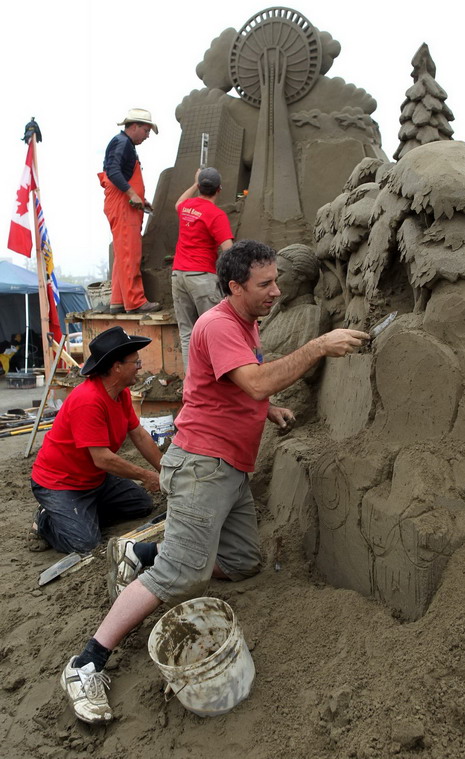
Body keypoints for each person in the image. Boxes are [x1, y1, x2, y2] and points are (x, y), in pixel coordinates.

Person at [59, 240, 369, 724]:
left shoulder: (246, 321)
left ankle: (143, 552)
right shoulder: (220, 324)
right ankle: (87, 662)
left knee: (243, 561)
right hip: (203, 465)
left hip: (230, 468)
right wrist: (317, 346)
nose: (276, 291)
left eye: (276, 281)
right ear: (235, 286)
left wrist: (267, 410)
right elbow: (257, 380)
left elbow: (235, 387)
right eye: (265, 284)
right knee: (181, 573)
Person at [29, 326, 162, 555]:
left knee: (141, 505)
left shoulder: (122, 393)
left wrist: (165, 470)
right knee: (85, 545)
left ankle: (79, 515)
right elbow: (102, 459)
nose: (140, 368)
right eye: (136, 363)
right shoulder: (88, 400)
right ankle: (45, 522)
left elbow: (139, 434)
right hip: (60, 483)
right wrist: (146, 475)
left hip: (93, 479)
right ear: (117, 367)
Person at [98, 108, 161, 315]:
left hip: (125, 203)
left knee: (122, 254)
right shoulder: (122, 142)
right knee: (130, 253)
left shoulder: (124, 144)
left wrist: (140, 199)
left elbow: (119, 174)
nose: (147, 135)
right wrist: (133, 195)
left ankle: (118, 300)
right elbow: (113, 171)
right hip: (122, 205)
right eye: (146, 130)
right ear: (134, 126)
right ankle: (135, 302)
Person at [172, 167, 233, 369]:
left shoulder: (187, 207)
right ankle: (216, 378)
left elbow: (178, 203)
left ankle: (192, 381)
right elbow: (229, 250)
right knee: (213, 329)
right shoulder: (216, 215)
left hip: (178, 275)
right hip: (202, 277)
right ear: (219, 189)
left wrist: (195, 181)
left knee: (187, 332)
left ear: (200, 187)